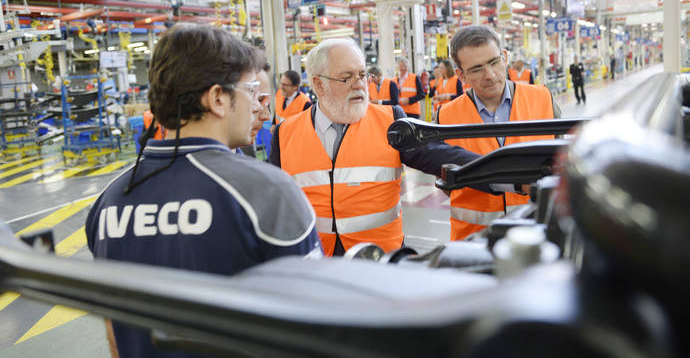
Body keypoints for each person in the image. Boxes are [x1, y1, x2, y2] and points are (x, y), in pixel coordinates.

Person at [85, 24, 322, 358]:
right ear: (218, 98)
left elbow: (115, 330)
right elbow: (313, 325)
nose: (257, 105)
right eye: (250, 90)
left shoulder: (109, 200)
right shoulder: (268, 190)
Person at [270, 38, 482, 257]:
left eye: (362, 75)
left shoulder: (390, 121)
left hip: (380, 260)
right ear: (319, 84)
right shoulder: (285, 133)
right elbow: (273, 201)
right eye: (346, 77)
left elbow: (440, 155)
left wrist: (503, 168)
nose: (359, 84)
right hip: (316, 261)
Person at [438, 25, 560, 241]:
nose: (490, 75)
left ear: (504, 57)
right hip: (473, 244)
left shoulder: (543, 99)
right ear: (461, 75)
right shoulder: (445, 117)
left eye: (494, 62)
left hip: (536, 240)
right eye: (476, 69)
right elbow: (446, 182)